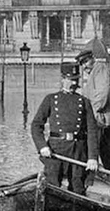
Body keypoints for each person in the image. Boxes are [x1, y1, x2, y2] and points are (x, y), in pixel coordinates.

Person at [30, 61, 100, 195]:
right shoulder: (50, 99)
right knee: (52, 186)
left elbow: (92, 131)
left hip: (78, 151)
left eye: (76, 80)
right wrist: (42, 146)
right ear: (62, 79)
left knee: (78, 187)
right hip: (56, 150)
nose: (74, 83)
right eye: (70, 80)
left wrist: (92, 157)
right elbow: (36, 125)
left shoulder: (84, 102)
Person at [76, 38, 110, 196]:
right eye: (81, 63)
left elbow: (102, 94)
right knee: (105, 151)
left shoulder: (100, 68)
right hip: (105, 118)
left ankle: (89, 184)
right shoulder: (97, 70)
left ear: (93, 59)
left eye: (86, 62)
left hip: (104, 119)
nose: (84, 66)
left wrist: (88, 112)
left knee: (96, 150)